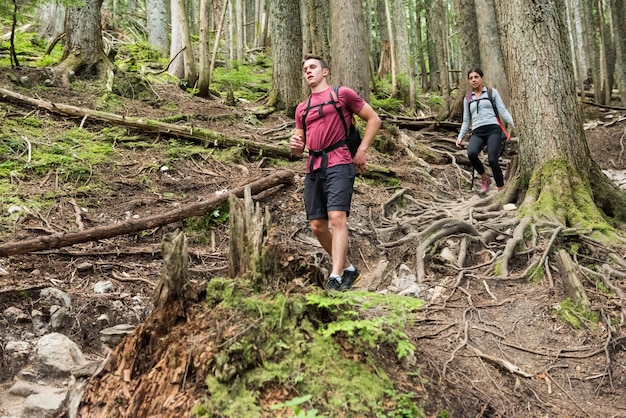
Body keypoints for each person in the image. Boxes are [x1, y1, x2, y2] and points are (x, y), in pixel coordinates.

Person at [289, 54, 381, 291]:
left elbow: (374, 119)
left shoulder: (342, 95)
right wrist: (296, 147)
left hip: (339, 161)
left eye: (312, 67)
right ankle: (349, 269)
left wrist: (361, 150)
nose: (308, 71)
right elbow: (299, 144)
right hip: (313, 166)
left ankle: (336, 276)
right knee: (317, 226)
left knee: (337, 218)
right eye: (305, 69)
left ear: (325, 71)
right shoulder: (302, 108)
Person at [456, 68, 514, 193]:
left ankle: (501, 189)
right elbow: (466, 120)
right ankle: (484, 177)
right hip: (477, 132)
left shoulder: (492, 93)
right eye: (471, 78)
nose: (473, 80)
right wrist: (460, 136)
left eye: (476, 77)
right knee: (471, 153)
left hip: (493, 130)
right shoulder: (468, 99)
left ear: (481, 78)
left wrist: (514, 125)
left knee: (492, 159)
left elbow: (503, 110)